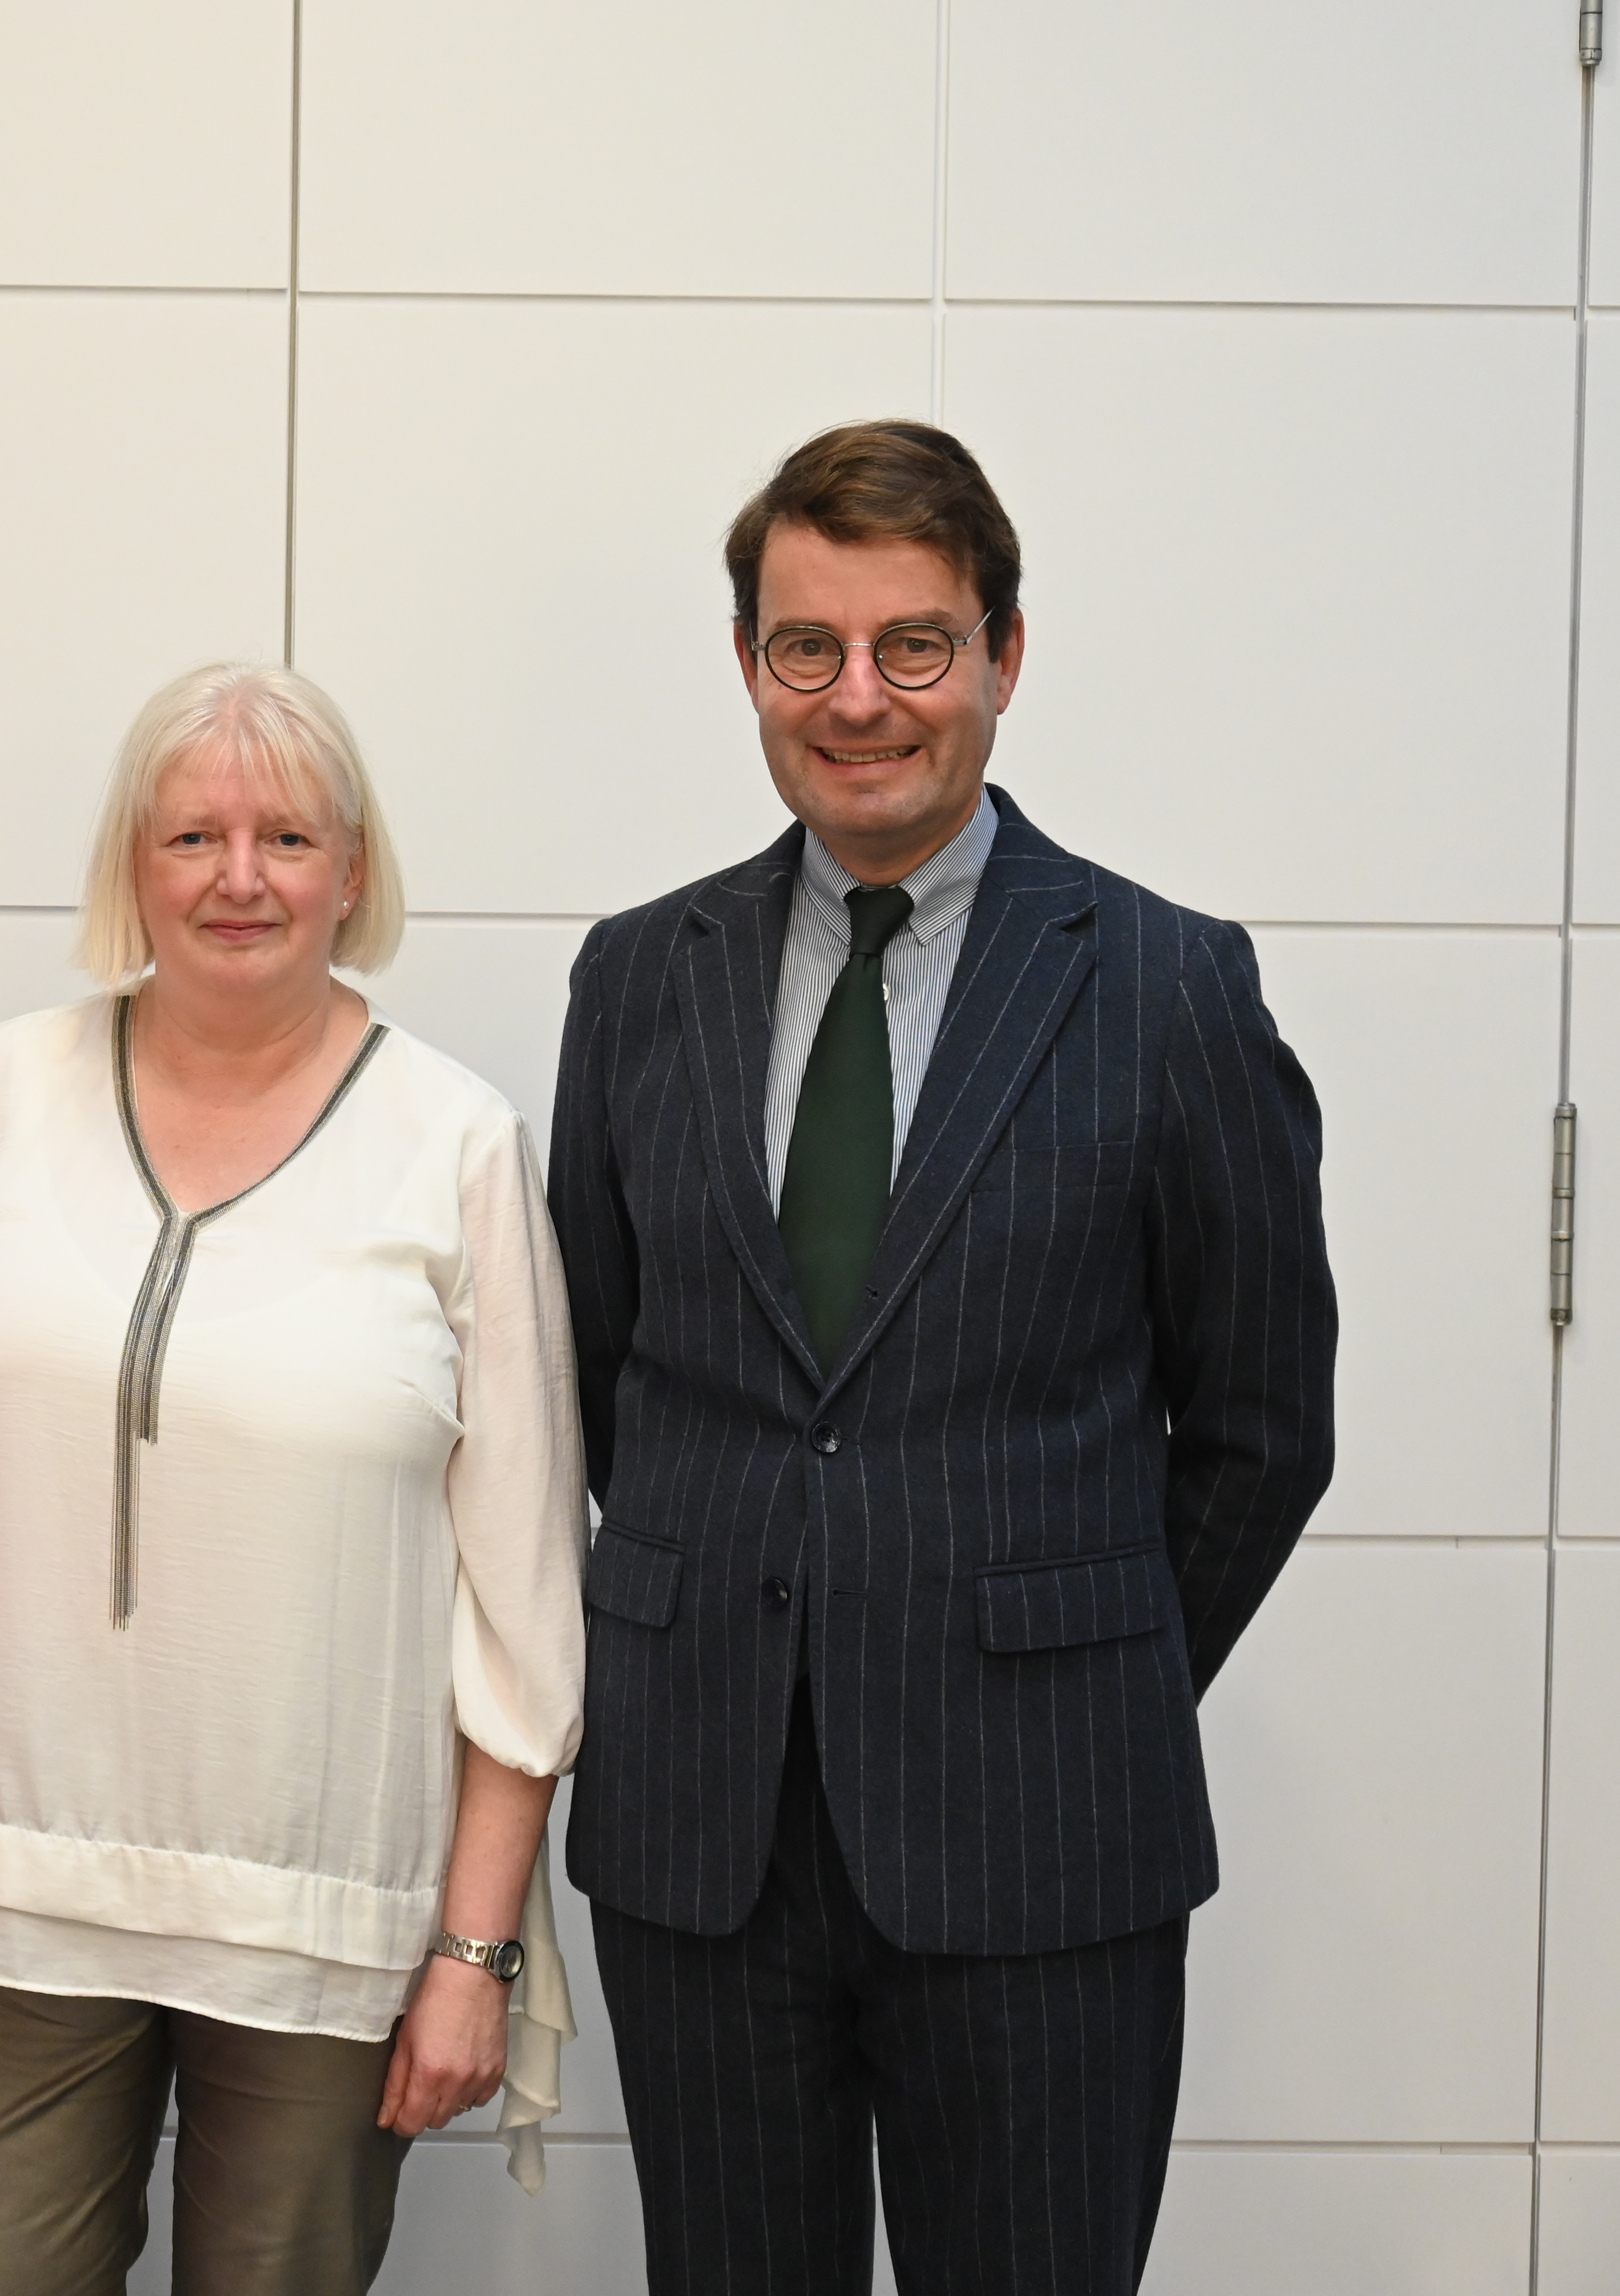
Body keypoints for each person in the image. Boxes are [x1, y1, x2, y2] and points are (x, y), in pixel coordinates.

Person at [548, 418, 1337, 2295]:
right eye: (807, 646)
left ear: (1002, 656)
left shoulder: (1164, 984)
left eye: (915, 643)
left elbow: (1260, 1427)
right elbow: (592, 1371)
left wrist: (1072, 1660)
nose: (863, 699)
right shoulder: (641, 976)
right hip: (706, 1836)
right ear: (750, 665)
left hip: (1043, 1836)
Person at [0, 664, 586, 2296]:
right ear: (133, 865)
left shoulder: (455, 1141)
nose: (240, 877)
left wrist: (473, 1950)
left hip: (321, 1925)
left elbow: (522, 1601)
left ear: (355, 873)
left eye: (288, 837)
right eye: (193, 835)